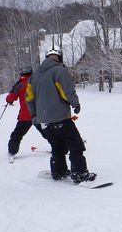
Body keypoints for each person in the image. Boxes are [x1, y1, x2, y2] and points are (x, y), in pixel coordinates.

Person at [26, 48, 96, 183]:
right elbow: (67, 90)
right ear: (59, 57)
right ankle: (79, 173)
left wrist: (35, 114)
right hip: (60, 117)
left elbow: (29, 98)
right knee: (75, 144)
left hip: (43, 120)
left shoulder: (34, 76)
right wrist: (75, 103)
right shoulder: (59, 71)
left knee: (57, 146)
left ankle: (58, 171)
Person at [5, 66, 51, 163]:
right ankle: (59, 147)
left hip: (25, 115)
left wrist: (9, 99)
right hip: (39, 114)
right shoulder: (38, 82)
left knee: (17, 134)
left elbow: (10, 98)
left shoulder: (20, 84)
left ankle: (12, 151)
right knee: (47, 132)